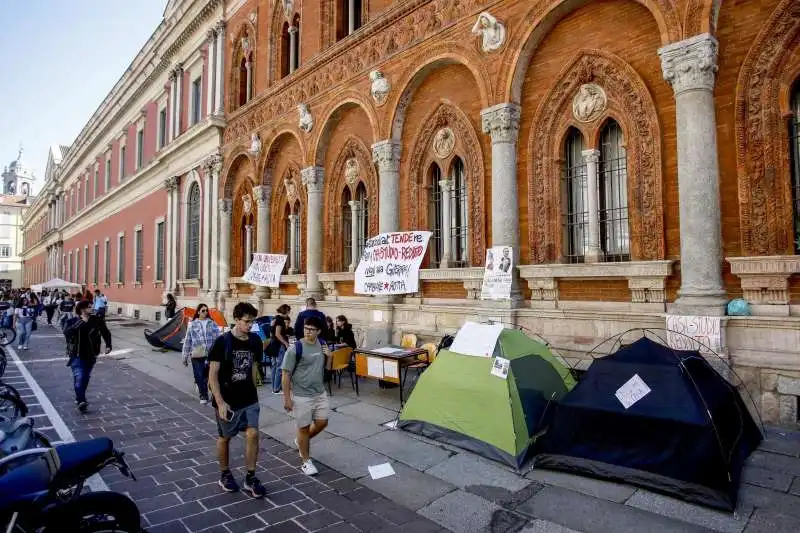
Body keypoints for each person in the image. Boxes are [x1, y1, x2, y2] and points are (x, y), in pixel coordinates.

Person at [207, 302, 267, 498]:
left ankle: (250, 477)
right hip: (228, 401)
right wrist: (220, 402)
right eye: (247, 321)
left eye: (252, 322)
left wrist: (255, 389)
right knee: (225, 438)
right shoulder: (222, 342)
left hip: (249, 398)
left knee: (253, 434)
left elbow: (253, 366)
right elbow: (212, 375)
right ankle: (224, 473)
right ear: (236, 319)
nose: (250, 326)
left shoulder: (255, 341)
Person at [282, 315, 331, 476]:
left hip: (319, 393)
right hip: (302, 395)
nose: (307, 332)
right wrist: (287, 399)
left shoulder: (322, 344)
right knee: (303, 428)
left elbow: (328, 368)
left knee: (322, 422)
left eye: (311, 329)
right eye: (305, 328)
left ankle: (301, 441)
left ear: (319, 331)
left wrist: (330, 356)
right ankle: (305, 461)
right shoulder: (295, 348)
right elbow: (285, 374)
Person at [64, 300, 112, 412]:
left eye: (91, 307)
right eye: (89, 307)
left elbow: (106, 332)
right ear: (82, 309)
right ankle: (82, 400)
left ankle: (79, 396)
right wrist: (80, 322)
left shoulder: (96, 320)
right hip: (76, 355)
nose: (92, 309)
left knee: (85, 378)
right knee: (79, 377)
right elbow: (67, 333)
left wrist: (108, 345)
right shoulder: (72, 321)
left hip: (91, 355)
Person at [182, 303, 220, 405]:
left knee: (210, 375)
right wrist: (184, 357)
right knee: (199, 374)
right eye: (203, 310)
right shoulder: (192, 324)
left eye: (207, 310)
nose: (205, 312)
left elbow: (218, 338)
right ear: (198, 312)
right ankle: (203, 395)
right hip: (197, 353)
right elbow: (188, 340)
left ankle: (211, 392)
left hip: (210, 354)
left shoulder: (212, 323)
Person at [265, 304, 291, 394]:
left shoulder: (274, 319)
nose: (289, 313)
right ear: (286, 311)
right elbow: (277, 334)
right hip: (279, 345)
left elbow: (272, 333)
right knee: (279, 367)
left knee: (274, 366)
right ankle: (276, 388)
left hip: (273, 344)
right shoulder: (280, 320)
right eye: (288, 311)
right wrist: (286, 343)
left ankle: (274, 387)